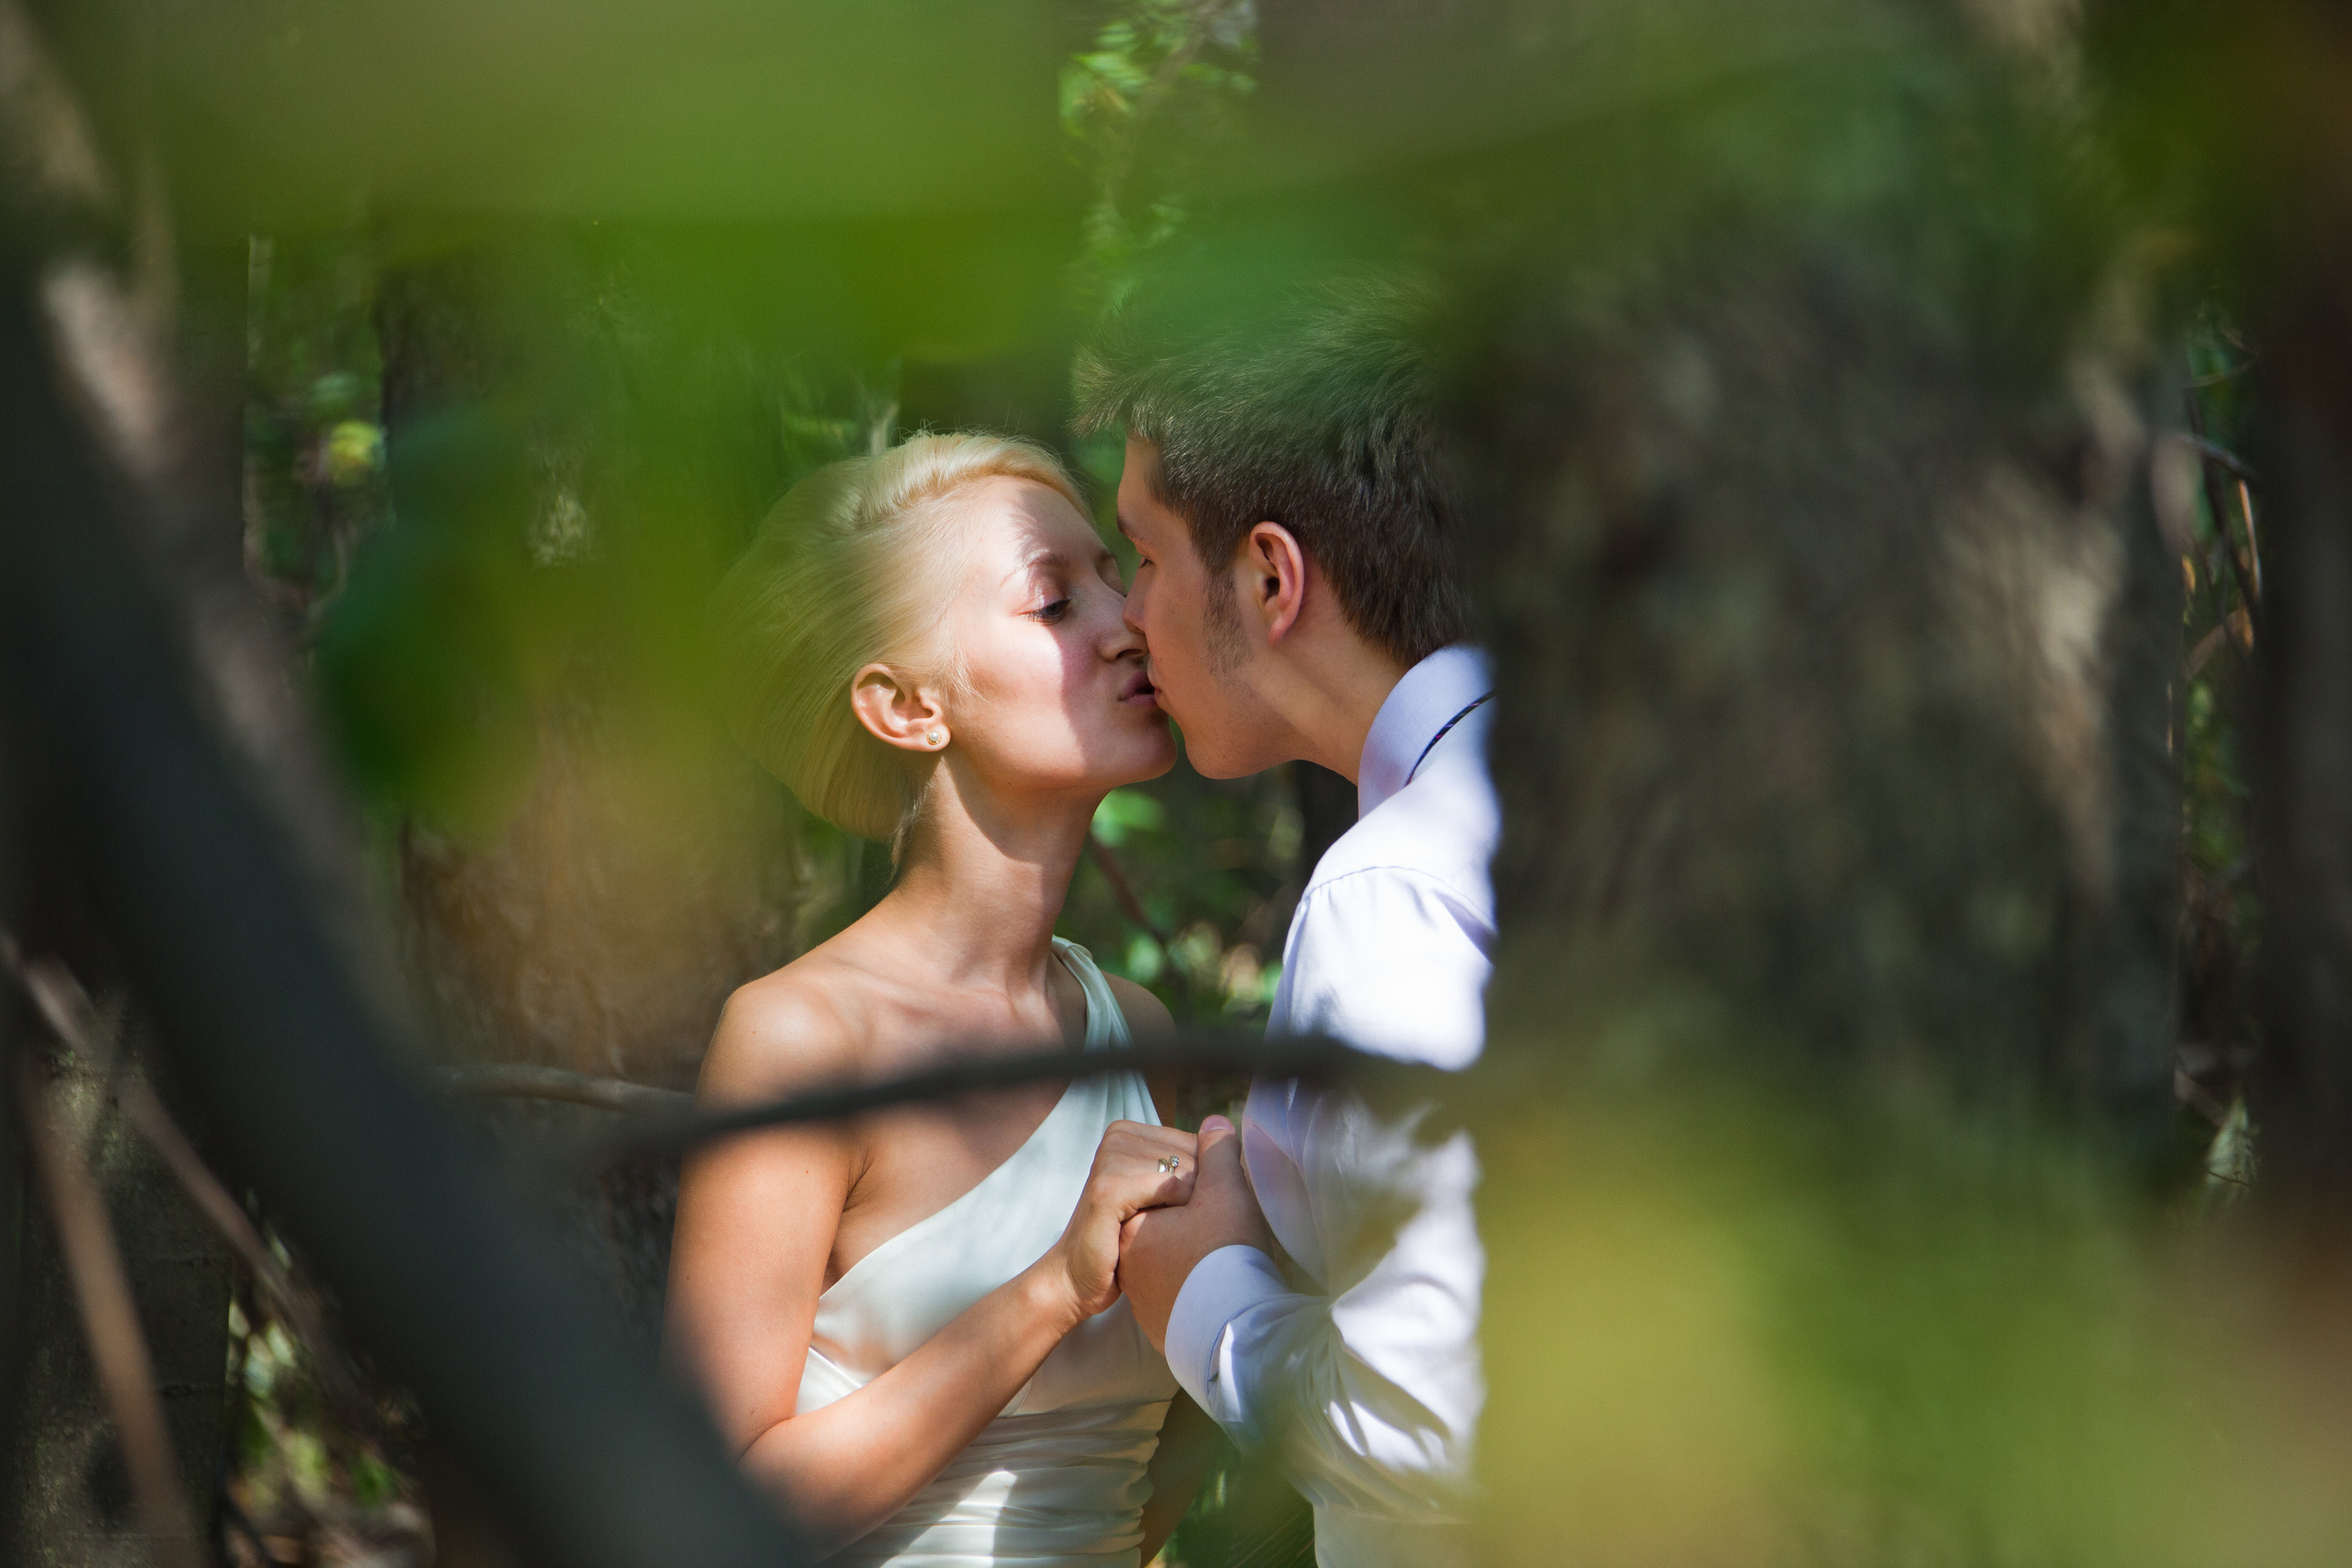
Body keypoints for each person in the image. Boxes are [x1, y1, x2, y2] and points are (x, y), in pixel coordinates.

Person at [667, 433, 1222, 1567]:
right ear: (905, 706)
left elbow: (1161, 1464)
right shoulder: (802, 1039)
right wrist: (1053, 1288)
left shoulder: (1136, 1031)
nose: (1127, 622)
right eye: (1053, 603)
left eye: (1114, 575)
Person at [1076, 271, 1495, 1568]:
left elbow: (1432, 1418)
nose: (1131, 618)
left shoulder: (1395, 889)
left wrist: (1202, 1293)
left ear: (1270, 578)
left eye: (1146, 556)